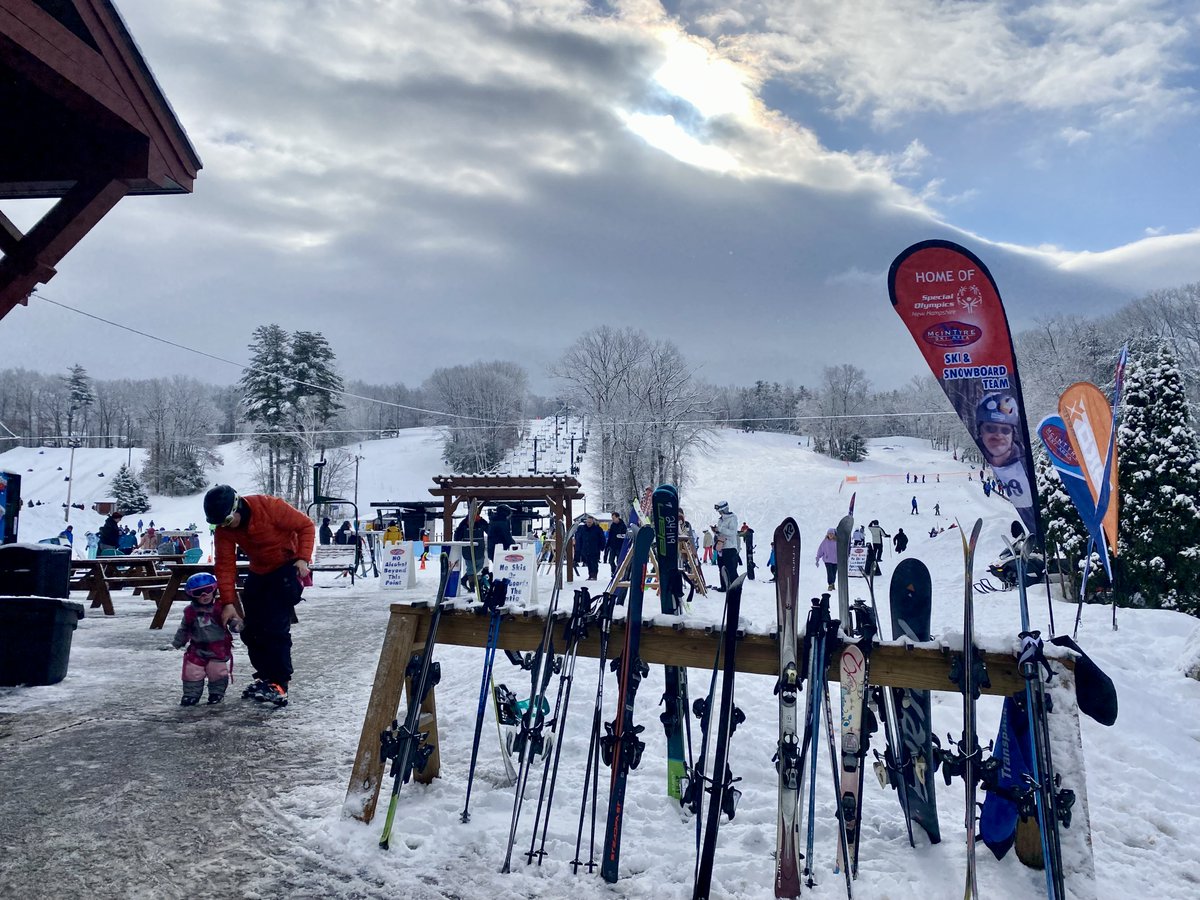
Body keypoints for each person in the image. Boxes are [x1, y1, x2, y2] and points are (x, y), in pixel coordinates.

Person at [204, 484, 313, 707]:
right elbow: (225, 565)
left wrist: (303, 557)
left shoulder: (270, 507)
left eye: (226, 520)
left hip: (285, 567)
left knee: (274, 629)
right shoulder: (225, 529)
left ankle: (280, 684)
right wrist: (228, 603)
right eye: (219, 524)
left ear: (237, 506)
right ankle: (265, 678)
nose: (225, 527)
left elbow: (306, 526)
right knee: (251, 630)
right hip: (258, 571)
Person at [168, 572, 240, 706]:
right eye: (198, 592)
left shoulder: (220, 608)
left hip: (217, 648)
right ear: (191, 595)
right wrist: (177, 643)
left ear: (214, 590)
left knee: (217, 672)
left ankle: (216, 694)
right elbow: (184, 628)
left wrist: (236, 625)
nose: (204, 595)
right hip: (197, 649)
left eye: (207, 590)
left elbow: (231, 621)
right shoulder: (190, 612)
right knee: (192, 673)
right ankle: (191, 695)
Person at [975, 392, 1036, 533]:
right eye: (990, 428)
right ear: (980, 432)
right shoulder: (983, 459)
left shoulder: (1025, 466)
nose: (998, 435)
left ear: (1013, 434)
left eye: (1005, 430)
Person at [454, 509, 490, 592]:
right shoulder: (464, 523)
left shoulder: (481, 522)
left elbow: (488, 530)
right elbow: (458, 535)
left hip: (479, 549)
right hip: (468, 550)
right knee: (470, 567)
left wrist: (481, 520)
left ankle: (465, 579)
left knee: (479, 566)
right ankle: (472, 586)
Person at [714, 501, 740, 587]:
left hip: (730, 547)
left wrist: (720, 529)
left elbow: (733, 532)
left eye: (720, 511)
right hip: (721, 547)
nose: (719, 513)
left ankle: (735, 586)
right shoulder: (720, 520)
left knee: (731, 569)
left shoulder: (732, 518)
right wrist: (716, 532)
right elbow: (721, 533)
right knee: (721, 568)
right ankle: (724, 586)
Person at [574, 514, 606, 581]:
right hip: (585, 549)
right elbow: (580, 538)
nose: (588, 524)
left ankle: (594, 575)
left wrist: (602, 546)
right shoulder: (583, 529)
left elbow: (602, 538)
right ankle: (590, 575)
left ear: (592, 522)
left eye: (590, 522)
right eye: (587, 522)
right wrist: (579, 548)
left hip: (595, 549)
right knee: (588, 562)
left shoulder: (597, 529)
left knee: (594, 562)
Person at [604, 511, 627, 577]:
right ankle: (613, 571)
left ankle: (619, 572)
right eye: (612, 518)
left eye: (613, 518)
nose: (613, 520)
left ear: (617, 518)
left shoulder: (622, 525)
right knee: (611, 560)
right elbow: (610, 536)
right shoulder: (612, 525)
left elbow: (624, 535)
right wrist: (608, 545)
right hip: (612, 546)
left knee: (619, 560)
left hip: (619, 546)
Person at [815, 527, 838, 592]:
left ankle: (833, 583)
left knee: (834, 573)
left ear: (834, 534)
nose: (830, 535)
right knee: (830, 573)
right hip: (827, 560)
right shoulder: (825, 542)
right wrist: (817, 559)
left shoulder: (837, 542)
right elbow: (820, 550)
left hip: (836, 561)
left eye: (832, 534)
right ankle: (830, 584)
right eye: (829, 534)